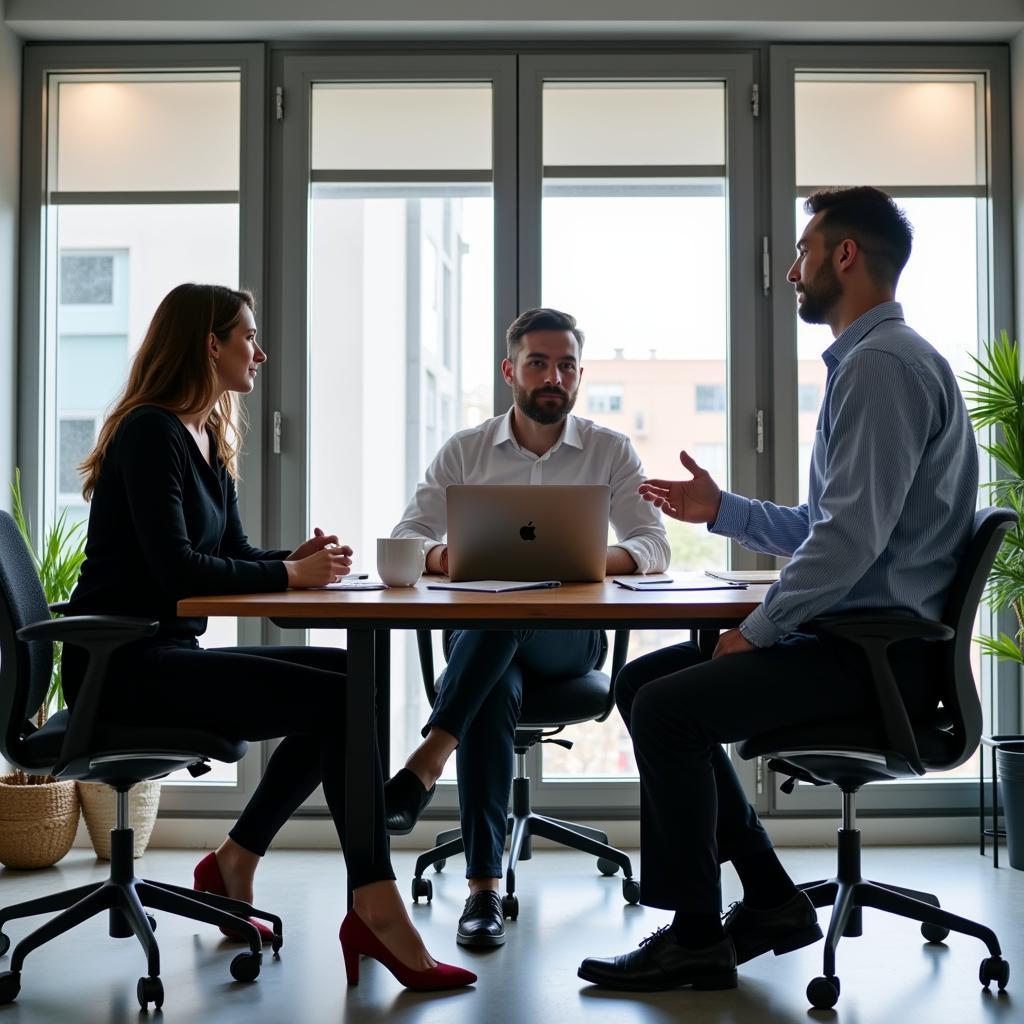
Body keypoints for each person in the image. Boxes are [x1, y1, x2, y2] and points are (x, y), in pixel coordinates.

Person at [578, 186, 978, 992]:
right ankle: (767, 899)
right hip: (865, 643)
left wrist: (759, 627)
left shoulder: (881, 367)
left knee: (667, 708)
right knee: (644, 682)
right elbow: (829, 525)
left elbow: (848, 539)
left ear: (845, 255)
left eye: (803, 252)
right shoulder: (874, 364)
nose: (792, 271)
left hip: (876, 659)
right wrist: (720, 510)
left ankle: (697, 937)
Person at [63, 283, 475, 992]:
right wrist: (288, 572)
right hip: (122, 665)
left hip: (169, 654)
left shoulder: (206, 437)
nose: (261, 351)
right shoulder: (149, 432)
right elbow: (177, 570)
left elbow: (238, 555)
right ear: (210, 344)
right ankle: (374, 907)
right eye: (249, 336)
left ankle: (238, 861)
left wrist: (301, 566)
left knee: (354, 686)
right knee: (340, 701)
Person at [387, 307, 670, 948]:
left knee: (498, 623)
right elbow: (409, 537)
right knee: (491, 682)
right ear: (510, 370)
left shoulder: (608, 450)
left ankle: (428, 759)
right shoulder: (465, 451)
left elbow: (654, 547)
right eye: (539, 363)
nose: (554, 376)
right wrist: (443, 558)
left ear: (578, 376)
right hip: (487, 649)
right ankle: (485, 892)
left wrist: (574, 561)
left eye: (566, 364)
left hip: (566, 644)